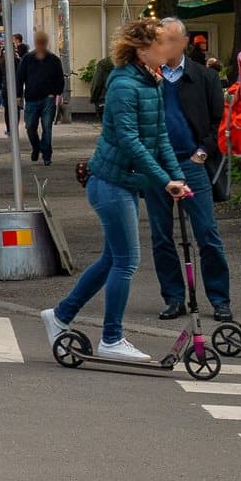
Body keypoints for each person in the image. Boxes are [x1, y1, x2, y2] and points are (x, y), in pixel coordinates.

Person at [42, 18, 190, 363]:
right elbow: (130, 139)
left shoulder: (152, 81)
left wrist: (177, 176)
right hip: (110, 184)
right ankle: (111, 338)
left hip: (124, 183)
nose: (168, 49)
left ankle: (61, 315)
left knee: (113, 259)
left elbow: (160, 137)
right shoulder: (124, 83)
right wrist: (162, 179)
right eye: (161, 44)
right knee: (126, 261)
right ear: (142, 50)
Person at [144, 19, 231, 322]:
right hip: (156, 166)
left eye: (168, 40)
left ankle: (220, 299)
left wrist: (203, 151)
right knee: (161, 235)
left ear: (182, 42)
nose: (162, 46)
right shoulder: (148, 77)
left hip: (191, 161)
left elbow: (219, 121)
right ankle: (174, 297)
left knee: (206, 232)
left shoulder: (203, 77)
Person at [17, 31, 66, 164]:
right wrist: (18, 95)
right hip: (31, 98)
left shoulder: (54, 60)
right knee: (30, 127)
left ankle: (47, 155)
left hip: (47, 98)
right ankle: (36, 146)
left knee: (47, 127)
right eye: (38, 42)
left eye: (42, 42)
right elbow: (20, 77)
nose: (40, 44)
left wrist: (56, 93)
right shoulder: (27, 59)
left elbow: (60, 79)